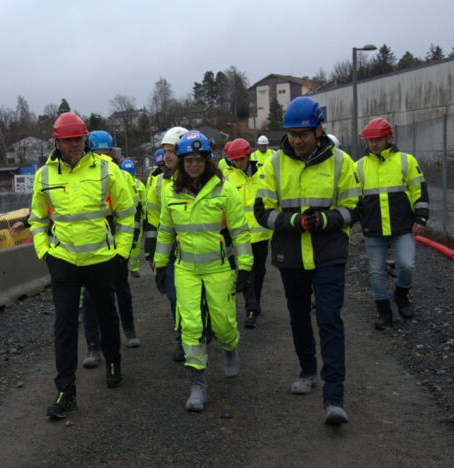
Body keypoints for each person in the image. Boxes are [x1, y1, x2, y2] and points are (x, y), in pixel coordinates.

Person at [254, 96, 362, 425]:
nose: (297, 141)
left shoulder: (342, 163)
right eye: (292, 135)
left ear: (318, 130)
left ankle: (334, 398)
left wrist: (324, 221)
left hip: (328, 253)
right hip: (291, 256)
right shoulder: (273, 164)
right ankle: (307, 370)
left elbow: (354, 208)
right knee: (299, 317)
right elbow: (262, 212)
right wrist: (292, 223)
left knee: (329, 319)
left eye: (303, 134)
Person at [28, 113, 135, 419]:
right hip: (62, 262)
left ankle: (113, 361)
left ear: (85, 139)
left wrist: (121, 253)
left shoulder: (106, 171)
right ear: (57, 142)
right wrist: (44, 251)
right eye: (68, 140)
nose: (74, 145)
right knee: (63, 325)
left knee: (106, 315)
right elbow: (37, 219)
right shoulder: (44, 176)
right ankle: (66, 391)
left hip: (102, 259)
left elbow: (127, 213)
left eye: (78, 139)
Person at [154, 130, 252, 412]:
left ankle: (230, 347)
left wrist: (244, 267)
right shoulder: (171, 192)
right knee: (191, 324)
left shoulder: (225, 190)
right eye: (188, 160)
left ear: (208, 160)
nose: (193, 164)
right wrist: (161, 265)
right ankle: (197, 383)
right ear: (181, 162)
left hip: (218, 268)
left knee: (222, 323)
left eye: (199, 159)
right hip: (185, 269)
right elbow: (165, 231)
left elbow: (240, 231)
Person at [357, 117, 429, 329]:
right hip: (373, 228)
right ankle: (383, 311)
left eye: (378, 140)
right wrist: (352, 223)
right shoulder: (359, 167)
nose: (374, 144)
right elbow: (352, 199)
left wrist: (421, 217)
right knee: (376, 271)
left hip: (402, 226)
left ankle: (402, 294)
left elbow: (419, 191)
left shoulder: (406, 161)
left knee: (407, 265)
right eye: (370, 141)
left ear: (389, 138)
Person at [79, 130, 141, 371]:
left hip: (114, 243)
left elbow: (129, 208)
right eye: (99, 154)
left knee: (118, 290)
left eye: (105, 154)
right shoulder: (84, 174)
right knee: (93, 297)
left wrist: (123, 247)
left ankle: (127, 330)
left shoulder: (118, 174)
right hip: (92, 245)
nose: (103, 158)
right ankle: (95, 345)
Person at [144, 126, 187, 362]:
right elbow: (152, 220)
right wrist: (151, 252)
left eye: (171, 151)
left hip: (197, 251)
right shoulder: (159, 183)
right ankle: (182, 340)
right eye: (165, 151)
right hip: (170, 251)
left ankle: (199, 331)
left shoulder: (206, 181)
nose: (167, 156)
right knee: (174, 298)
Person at [222, 138, 272, 328]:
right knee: (246, 271)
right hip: (241, 235)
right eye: (234, 160)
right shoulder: (228, 178)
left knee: (259, 271)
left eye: (241, 159)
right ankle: (250, 309)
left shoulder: (262, 174)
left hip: (261, 234)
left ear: (248, 156)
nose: (238, 163)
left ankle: (255, 303)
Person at [121, 158, 146, 278]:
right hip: (135, 217)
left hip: (129, 217)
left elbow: (144, 203)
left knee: (128, 243)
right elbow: (144, 203)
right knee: (135, 243)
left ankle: (130, 268)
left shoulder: (119, 182)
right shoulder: (139, 185)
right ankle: (133, 268)